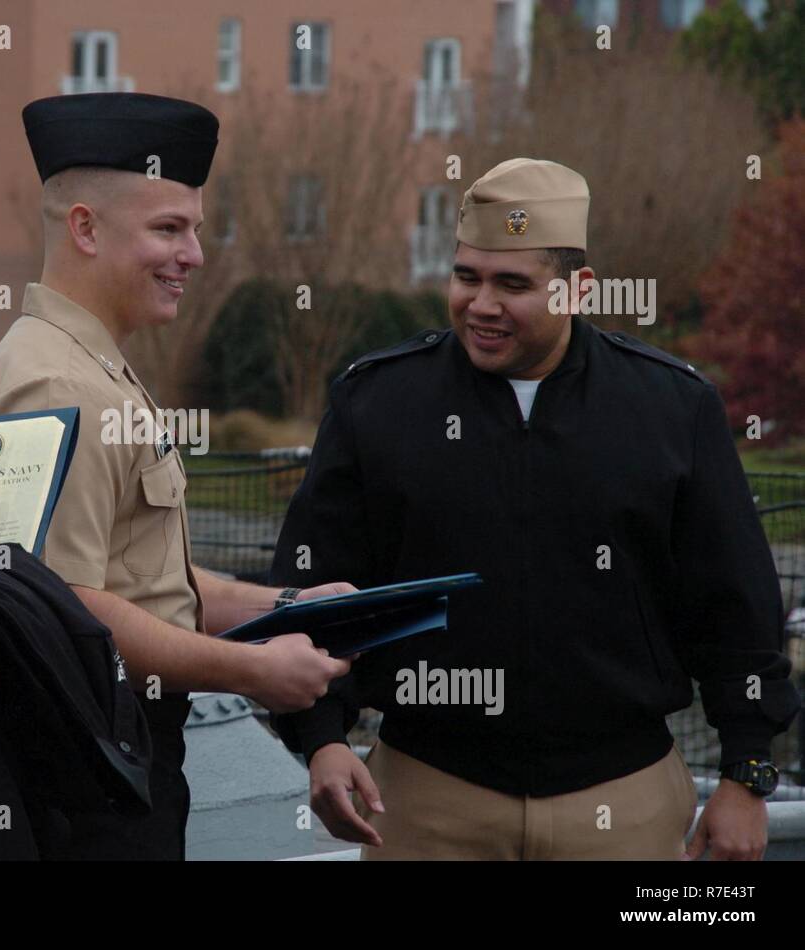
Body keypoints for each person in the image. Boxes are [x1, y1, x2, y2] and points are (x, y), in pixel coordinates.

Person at [271, 158, 801, 860]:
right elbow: (317, 591)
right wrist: (323, 740)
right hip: (427, 799)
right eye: (467, 277)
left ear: (578, 289)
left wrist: (747, 774)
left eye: (512, 284)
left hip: (624, 801)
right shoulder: (377, 404)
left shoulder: (673, 409)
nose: (481, 304)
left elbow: (734, 605)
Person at [0, 92, 354, 860]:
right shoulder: (55, 385)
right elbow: (68, 611)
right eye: (168, 229)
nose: (195, 255)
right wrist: (252, 671)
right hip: (83, 782)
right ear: (85, 227)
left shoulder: (87, 365)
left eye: (194, 230)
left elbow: (140, 581)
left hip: (113, 764)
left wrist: (284, 604)